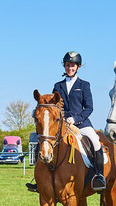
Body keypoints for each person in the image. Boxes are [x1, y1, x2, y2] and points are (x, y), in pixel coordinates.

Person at [26, 51, 106, 193]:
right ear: (65, 66)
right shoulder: (58, 86)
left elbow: (89, 108)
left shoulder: (84, 85)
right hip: (62, 124)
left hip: (81, 124)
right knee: (45, 141)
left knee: (95, 142)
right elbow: (52, 108)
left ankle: (99, 176)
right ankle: (39, 179)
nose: (70, 68)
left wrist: (75, 119)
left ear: (78, 67)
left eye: (73, 66)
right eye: (68, 65)